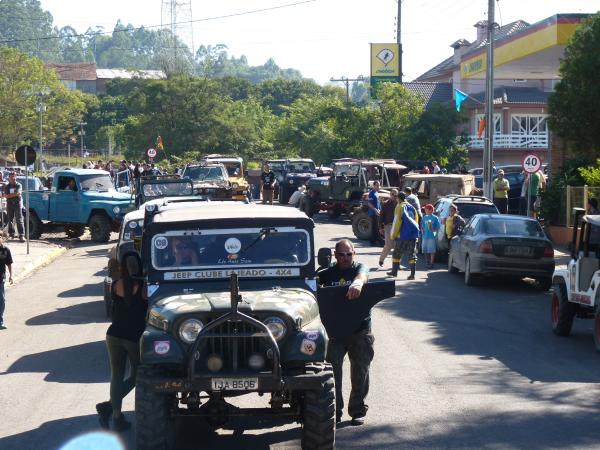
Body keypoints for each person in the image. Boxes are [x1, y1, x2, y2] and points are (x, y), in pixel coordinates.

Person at [318, 239, 372, 426]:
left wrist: (357, 284)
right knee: (331, 373)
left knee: (360, 371)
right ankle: (334, 411)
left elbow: (363, 275)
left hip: (360, 330)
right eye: (341, 254)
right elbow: (312, 285)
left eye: (349, 254)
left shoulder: (360, 268)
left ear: (354, 254)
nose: (345, 258)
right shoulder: (327, 274)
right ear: (335, 255)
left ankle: (357, 410)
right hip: (334, 332)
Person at [96, 254, 147, 431]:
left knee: (116, 375)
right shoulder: (143, 287)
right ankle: (108, 408)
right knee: (137, 375)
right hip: (133, 338)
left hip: (113, 334)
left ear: (122, 267)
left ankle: (116, 416)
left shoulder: (115, 285)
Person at [388, 192, 420, 280]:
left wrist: (393, 235)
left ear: (399, 198)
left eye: (397, 198)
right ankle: (412, 275)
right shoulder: (412, 208)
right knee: (412, 254)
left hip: (402, 235)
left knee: (397, 253)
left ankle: (394, 272)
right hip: (412, 235)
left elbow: (397, 222)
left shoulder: (399, 207)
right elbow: (416, 221)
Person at [378, 189, 398, 267]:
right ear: (390, 194)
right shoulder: (385, 204)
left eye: (396, 195)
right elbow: (381, 216)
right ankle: (381, 260)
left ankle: (396, 264)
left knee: (397, 246)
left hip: (398, 226)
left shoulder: (400, 204)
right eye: (392, 194)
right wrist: (380, 227)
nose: (394, 196)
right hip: (388, 226)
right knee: (388, 245)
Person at [4, 172, 24, 242]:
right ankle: (11, 234)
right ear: (9, 178)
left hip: (17, 204)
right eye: (11, 176)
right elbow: (6, 196)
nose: (13, 178)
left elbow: (19, 193)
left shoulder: (19, 185)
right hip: (9, 204)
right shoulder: (7, 186)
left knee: (19, 220)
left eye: (14, 176)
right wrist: (15, 194)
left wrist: (10, 195)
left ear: (16, 177)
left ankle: (21, 235)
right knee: (10, 220)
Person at [0, 234, 14, 330]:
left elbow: (9, 263)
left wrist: (11, 276)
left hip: (1, 278)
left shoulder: (5, 250)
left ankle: (0, 321)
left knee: (2, 300)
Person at [421, 204, 441, 269]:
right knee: (425, 250)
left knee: (431, 251)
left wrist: (433, 229)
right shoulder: (425, 217)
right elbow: (422, 225)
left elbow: (438, 227)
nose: (425, 211)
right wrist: (422, 230)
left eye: (426, 209)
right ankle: (428, 263)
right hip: (425, 236)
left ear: (430, 210)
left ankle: (431, 264)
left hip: (432, 237)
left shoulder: (435, 218)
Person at [367, 181, 382, 246]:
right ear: (374, 186)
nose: (378, 187)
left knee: (375, 227)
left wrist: (380, 210)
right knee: (376, 228)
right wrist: (375, 210)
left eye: (379, 185)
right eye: (377, 185)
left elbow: (378, 203)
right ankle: (379, 242)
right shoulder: (371, 193)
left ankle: (373, 242)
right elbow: (369, 203)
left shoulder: (377, 193)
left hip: (377, 213)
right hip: (373, 213)